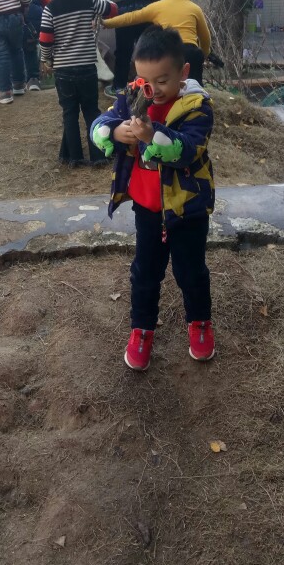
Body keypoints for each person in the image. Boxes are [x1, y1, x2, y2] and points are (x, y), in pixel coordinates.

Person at [90, 26, 215, 371]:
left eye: (162, 80)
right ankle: (142, 330)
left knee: (191, 272)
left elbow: (187, 150)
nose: (152, 90)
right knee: (144, 273)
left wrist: (151, 135)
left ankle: (200, 322)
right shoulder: (133, 95)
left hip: (187, 209)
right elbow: (101, 122)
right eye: (144, 80)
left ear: (183, 72)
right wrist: (115, 131)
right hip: (147, 209)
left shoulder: (197, 107)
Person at [39, 0, 117, 167]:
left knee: (69, 114)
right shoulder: (88, 0)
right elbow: (112, 9)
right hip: (87, 68)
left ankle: (74, 157)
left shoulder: (50, 9)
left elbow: (45, 40)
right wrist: (109, 4)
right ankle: (98, 155)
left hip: (64, 70)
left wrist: (46, 59)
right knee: (91, 111)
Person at [101, 0, 212, 82]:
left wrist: (106, 23)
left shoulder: (156, 7)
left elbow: (131, 17)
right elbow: (205, 37)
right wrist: (204, 54)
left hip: (166, 52)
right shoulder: (195, 8)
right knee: (194, 86)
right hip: (191, 53)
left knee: (167, 84)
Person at [6, 0, 49, 92]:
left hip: (13, 16)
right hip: (34, 17)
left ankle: (17, 81)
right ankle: (33, 80)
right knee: (30, 49)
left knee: (14, 49)